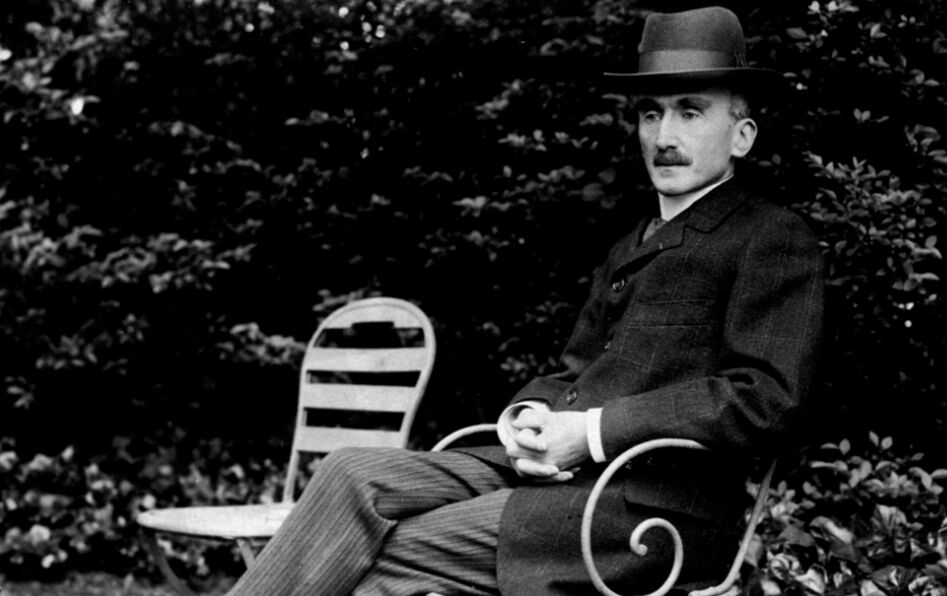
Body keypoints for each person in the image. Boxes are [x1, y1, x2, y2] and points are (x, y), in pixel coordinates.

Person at [227, 6, 823, 596]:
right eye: (651, 113)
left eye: (690, 112)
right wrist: (527, 420)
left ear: (742, 136)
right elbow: (574, 372)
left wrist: (590, 431)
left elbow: (767, 400)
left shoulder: (769, 237)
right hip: (560, 481)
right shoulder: (631, 244)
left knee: (388, 553)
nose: (664, 137)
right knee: (350, 471)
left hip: (651, 512)